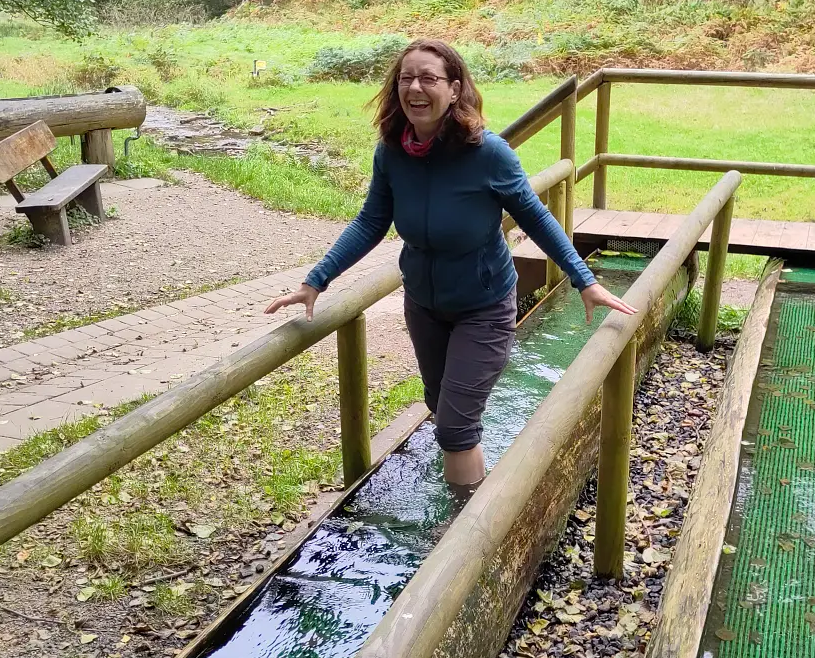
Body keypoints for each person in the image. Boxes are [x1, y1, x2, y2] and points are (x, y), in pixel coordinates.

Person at [266, 39, 636, 486]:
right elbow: (370, 222)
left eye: (429, 78)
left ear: (455, 88)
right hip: (423, 306)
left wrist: (583, 279)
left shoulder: (488, 154)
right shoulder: (391, 153)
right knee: (440, 407)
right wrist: (315, 281)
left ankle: (466, 537)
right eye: (406, 78)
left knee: (455, 428)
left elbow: (536, 217)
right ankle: (465, 490)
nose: (415, 88)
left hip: (484, 308)